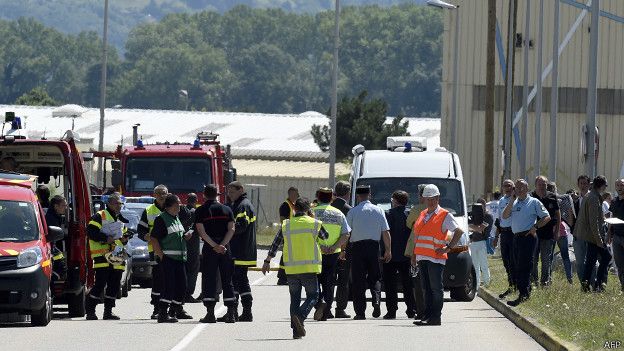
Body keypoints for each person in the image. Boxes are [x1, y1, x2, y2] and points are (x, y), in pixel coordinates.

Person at [262, 197, 331, 339]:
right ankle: (300, 316)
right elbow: (325, 236)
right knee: (313, 295)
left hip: (291, 269)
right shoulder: (314, 223)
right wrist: (313, 218)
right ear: (308, 209)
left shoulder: (286, 224)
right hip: (309, 268)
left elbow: (275, 244)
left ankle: (296, 331)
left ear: (294, 209)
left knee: (294, 298)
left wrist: (267, 261)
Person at [410, 184, 465, 326]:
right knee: (426, 289)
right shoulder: (423, 214)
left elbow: (458, 231)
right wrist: (414, 255)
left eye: (433, 199)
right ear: (424, 199)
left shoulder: (445, 215)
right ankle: (427, 316)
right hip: (422, 257)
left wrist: (448, 247)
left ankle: (435, 317)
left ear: (438, 198)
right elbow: (417, 236)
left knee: (435, 289)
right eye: (428, 199)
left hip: (435, 258)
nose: (430, 201)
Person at [502, 179, 551, 307]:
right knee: (516, 265)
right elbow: (505, 216)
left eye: (521, 188)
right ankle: (524, 291)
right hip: (516, 237)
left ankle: (523, 294)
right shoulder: (514, 202)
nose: (518, 190)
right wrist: (512, 200)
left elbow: (546, 217)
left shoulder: (533, 202)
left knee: (524, 266)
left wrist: (536, 226)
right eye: (516, 188)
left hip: (528, 237)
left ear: (527, 189)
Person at [347, 185, 391, 320]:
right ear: (369, 195)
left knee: (358, 280)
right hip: (374, 247)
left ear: (358, 197)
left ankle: (360, 313)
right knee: (375, 277)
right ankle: (376, 300)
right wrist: (388, 250)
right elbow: (385, 232)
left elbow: (347, 233)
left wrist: (343, 249)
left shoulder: (353, 212)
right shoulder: (379, 211)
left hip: (357, 248)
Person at [194, 185, 237, 323]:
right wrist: (222, 245)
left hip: (210, 248)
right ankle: (231, 313)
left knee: (209, 279)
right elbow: (231, 229)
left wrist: (214, 246)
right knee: (227, 279)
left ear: (204, 195)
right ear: (217, 194)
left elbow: (201, 231)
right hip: (225, 248)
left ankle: (210, 314)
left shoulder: (201, 210)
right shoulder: (227, 209)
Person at [85, 193, 129, 320]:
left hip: (117, 255)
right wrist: (105, 238)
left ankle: (108, 311)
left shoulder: (120, 218)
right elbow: (91, 232)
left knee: (114, 284)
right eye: (116, 203)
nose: (119, 206)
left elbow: (123, 235)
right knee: (100, 284)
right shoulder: (100, 215)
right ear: (109, 203)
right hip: (102, 255)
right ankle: (91, 311)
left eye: (120, 204)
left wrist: (125, 239)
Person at [150, 194, 193, 322]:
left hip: (180, 259)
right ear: (169, 206)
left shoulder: (176, 218)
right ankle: (163, 313)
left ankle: (173, 311)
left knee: (182, 286)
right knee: (169, 286)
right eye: (176, 205)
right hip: (168, 259)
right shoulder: (161, 219)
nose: (179, 207)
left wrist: (185, 236)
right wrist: (161, 256)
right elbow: (154, 239)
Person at [311, 187, 350, 321]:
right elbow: (346, 234)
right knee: (329, 282)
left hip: (315, 252)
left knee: (314, 281)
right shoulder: (339, 213)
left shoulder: (311, 213)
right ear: (332, 198)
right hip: (333, 253)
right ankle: (326, 312)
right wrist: (334, 247)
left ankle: (318, 303)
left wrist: (320, 246)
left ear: (319, 197)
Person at [382, 190, 416, 319]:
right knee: (408, 283)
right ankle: (411, 310)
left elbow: (384, 234)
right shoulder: (410, 214)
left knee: (390, 285)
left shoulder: (388, 214)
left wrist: (384, 251)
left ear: (395, 201)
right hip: (407, 254)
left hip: (390, 254)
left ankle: (391, 311)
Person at [227, 181, 257, 322]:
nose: (229, 194)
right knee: (240, 281)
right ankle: (242, 312)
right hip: (241, 250)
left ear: (241, 190)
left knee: (237, 281)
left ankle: (239, 312)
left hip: (240, 250)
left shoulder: (242, 205)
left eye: (232, 192)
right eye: (228, 191)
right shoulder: (241, 204)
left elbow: (241, 226)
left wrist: (226, 230)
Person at [137, 184, 169, 319]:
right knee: (158, 279)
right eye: (159, 193)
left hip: (171, 249)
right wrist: (146, 236)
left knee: (172, 278)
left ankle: (175, 308)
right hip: (155, 251)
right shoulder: (149, 210)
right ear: (154, 195)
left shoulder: (173, 208)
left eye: (164, 193)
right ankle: (157, 308)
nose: (161, 196)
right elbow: (141, 230)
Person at [577, 176, 612, 293]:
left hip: (591, 235)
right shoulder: (593, 198)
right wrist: (599, 240)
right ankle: (597, 284)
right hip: (593, 236)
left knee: (591, 261)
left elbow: (596, 217)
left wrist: (604, 219)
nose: (605, 188)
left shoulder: (591, 196)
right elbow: (593, 222)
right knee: (607, 257)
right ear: (601, 186)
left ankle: (587, 286)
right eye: (605, 185)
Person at [530, 176, 561, 287]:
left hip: (548, 234)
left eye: (544, 184)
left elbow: (558, 215)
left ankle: (545, 282)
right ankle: (534, 281)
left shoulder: (552, 196)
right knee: (533, 259)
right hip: (534, 234)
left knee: (546, 259)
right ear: (535, 185)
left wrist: (557, 231)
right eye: (540, 184)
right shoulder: (530, 197)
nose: (542, 186)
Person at [331, 180, 353, 319]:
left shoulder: (328, 208)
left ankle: (326, 308)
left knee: (328, 279)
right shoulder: (349, 210)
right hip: (344, 250)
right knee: (343, 282)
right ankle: (340, 309)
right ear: (348, 193)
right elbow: (349, 233)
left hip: (327, 249)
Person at [548, 182, 574, 284]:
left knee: (548, 257)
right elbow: (568, 214)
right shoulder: (562, 200)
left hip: (550, 230)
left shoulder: (545, 201)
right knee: (565, 256)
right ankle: (570, 278)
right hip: (562, 230)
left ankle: (548, 278)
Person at [494, 179, 516, 298]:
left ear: (513, 187)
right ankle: (511, 285)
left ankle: (516, 286)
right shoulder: (501, 200)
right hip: (504, 234)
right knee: (506, 261)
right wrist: (496, 237)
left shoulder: (516, 199)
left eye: (509, 186)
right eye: (505, 186)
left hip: (513, 233)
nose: (507, 188)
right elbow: (499, 221)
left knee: (513, 261)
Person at [277, 187, 299, 285]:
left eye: (297, 194)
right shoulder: (285, 205)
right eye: (295, 194)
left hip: (293, 234)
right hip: (288, 233)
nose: (296, 196)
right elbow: (283, 220)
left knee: (289, 256)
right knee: (285, 255)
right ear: (290, 194)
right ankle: (282, 278)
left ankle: (286, 277)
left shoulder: (294, 205)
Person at [468, 199, 492, 289]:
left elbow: (480, 229)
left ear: (484, 206)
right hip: (473, 243)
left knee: (484, 264)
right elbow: (469, 227)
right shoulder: (473, 217)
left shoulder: (488, 216)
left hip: (483, 242)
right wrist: (472, 226)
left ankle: (487, 283)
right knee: (475, 266)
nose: (479, 209)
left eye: (481, 206)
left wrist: (471, 227)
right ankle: (476, 286)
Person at [573, 175, 592, 283]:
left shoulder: (593, 198)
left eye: (585, 183)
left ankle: (593, 283)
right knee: (579, 262)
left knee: (590, 261)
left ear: (589, 184)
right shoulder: (575, 201)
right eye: (581, 183)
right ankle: (583, 284)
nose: (583, 185)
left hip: (590, 235)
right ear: (578, 185)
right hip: (578, 235)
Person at [182, 193, 200, 303]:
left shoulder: (181, 211)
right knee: (193, 270)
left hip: (182, 245)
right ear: (196, 200)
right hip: (193, 246)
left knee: (183, 270)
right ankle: (188, 294)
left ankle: (182, 292)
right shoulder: (196, 213)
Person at [46, 195, 68, 281]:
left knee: (61, 268)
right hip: (50, 247)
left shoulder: (55, 216)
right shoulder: (51, 219)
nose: (66, 208)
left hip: (53, 246)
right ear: (56, 206)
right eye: (63, 205)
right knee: (61, 268)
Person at [608, 179, 624, 292]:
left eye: (622, 185)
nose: (619, 187)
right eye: (617, 185)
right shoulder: (614, 201)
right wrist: (609, 233)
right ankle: (623, 287)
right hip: (616, 236)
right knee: (619, 264)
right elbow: (612, 217)